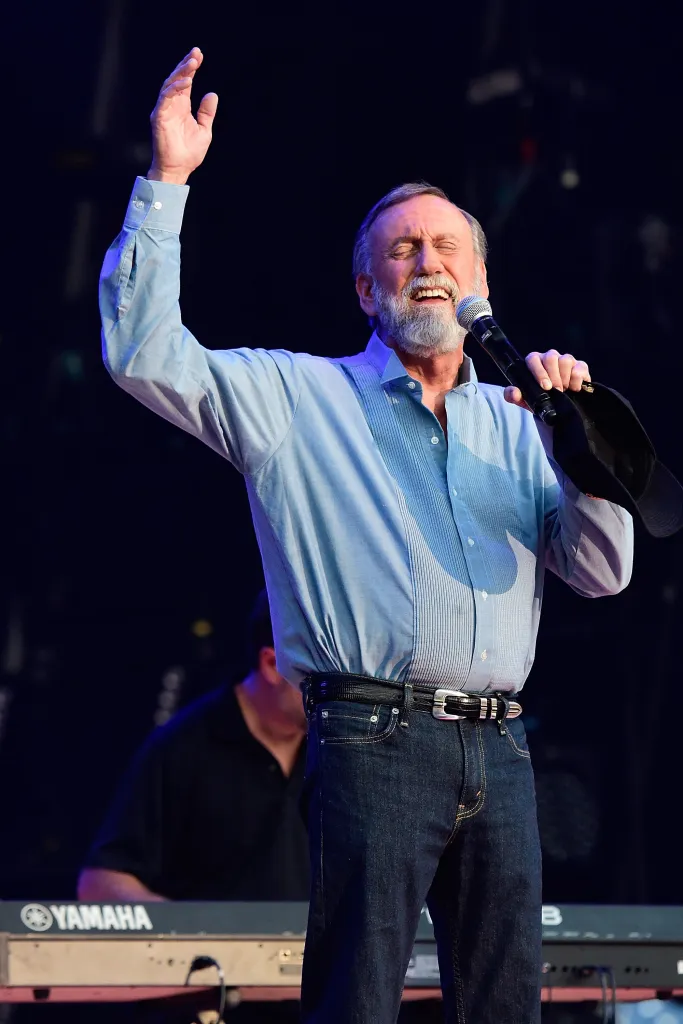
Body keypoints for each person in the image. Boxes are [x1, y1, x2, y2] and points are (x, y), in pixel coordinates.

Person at [98, 47, 634, 1024]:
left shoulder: (523, 425)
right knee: (355, 1001)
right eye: (400, 250)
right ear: (362, 288)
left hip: (503, 743)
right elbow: (143, 354)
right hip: (370, 733)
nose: (425, 264)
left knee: (503, 1006)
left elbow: (600, 570)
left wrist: (579, 435)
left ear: (479, 281)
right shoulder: (298, 398)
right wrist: (166, 179)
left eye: (444, 249)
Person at [78, 590, 309, 903]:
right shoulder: (183, 746)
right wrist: (195, 936)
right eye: (325, 676)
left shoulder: (340, 747)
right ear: (271, 664)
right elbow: (100, 885)